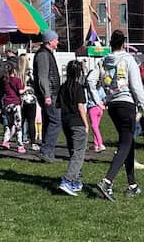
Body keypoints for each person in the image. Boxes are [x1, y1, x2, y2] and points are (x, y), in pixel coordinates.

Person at [96, 30, 144, 202]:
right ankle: (107, 181)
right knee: (125, 143)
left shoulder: (105, 61)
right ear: (123, 43)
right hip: (126, 103)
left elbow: (95, 81)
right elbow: (136, 86)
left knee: (128, 142)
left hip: (112, 104)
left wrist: (100, 99)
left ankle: (132, 184)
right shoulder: (128, 59)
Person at [58, 59, 89, 196]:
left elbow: (58, 105)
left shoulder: (63, 87)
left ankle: (76, 181)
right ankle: (67, 179)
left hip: (66, 122)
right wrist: (86, 123)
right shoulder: (78, 87)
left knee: (72, 151)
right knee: (78, 154)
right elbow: (80, 107)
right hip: (77, 122)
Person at [33, 29, 62, 163]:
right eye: (56, 39)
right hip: (49, 94)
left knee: (49, 121)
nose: (58, 42)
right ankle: (46, 150)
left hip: (50, 93)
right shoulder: (43, 55)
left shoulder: (46, 53)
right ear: (50, 41)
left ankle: (48, 153)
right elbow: (42, 77)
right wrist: (47, 95)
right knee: (55, 121)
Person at [0, 62, 26, 153]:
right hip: (16, 104)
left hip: (7, 104)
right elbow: (20, 92)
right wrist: (26, 88)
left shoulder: (5, 80)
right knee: (18, 126)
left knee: (9, 124)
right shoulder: (17, 80)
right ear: (14, 70)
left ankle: (5, 141)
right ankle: (20, 145)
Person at [85, 59, 106, 153]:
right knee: (96, 126)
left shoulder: (89, 89)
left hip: (92, 108)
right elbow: (104, 97)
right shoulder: (100, 88)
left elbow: (86, 98)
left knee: (94, 126)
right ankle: (96, 144)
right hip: (100, 109)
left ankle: (100, 143)